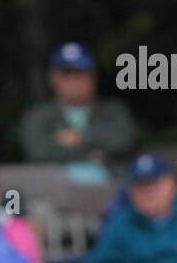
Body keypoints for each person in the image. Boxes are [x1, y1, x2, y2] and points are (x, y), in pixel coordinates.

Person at [20, 42, 138, 184]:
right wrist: (90, 155)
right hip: (55, 194)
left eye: (81, 73)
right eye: (67, 73)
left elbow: (123, 142)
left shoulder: (114, 110)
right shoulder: (38, 115)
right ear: (53, 78)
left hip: (111, 193)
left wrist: (82, 137)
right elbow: (38, 152)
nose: (75, 80)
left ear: (93, 77)